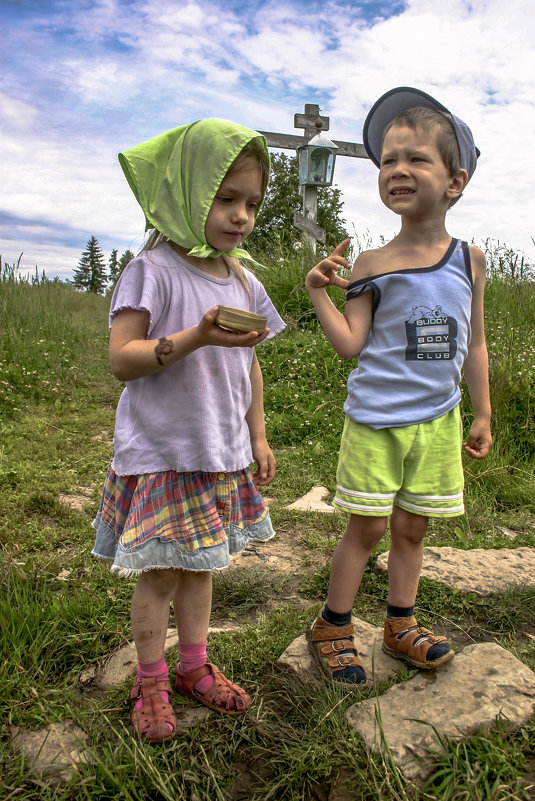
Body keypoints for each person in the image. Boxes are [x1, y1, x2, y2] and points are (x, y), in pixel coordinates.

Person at [91, 118, 285, 741]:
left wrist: (257, 436)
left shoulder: (244, 280)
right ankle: (150, 679)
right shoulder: (152, 269)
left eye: (252, 203)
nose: (241, 216)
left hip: (217, 451)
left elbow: (250, 364)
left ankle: (194, 667)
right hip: (164, 451)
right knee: (160, 573)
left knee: (200, 567)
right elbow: (123, 358)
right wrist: (195, 335)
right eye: (225, 199)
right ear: (187, 192)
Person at [304, 87, 492, 686]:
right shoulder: (370, 263)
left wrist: (482, 412)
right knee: (368, 527)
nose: (398, 170)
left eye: (416, 158)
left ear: (455, 181)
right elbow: (351, 345)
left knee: (413, 526)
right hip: (377, 420)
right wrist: (316, 293)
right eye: (388, 160)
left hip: (439, 421)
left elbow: (476, 341)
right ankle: (333, 625)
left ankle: (399, 624)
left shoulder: (471, 260)